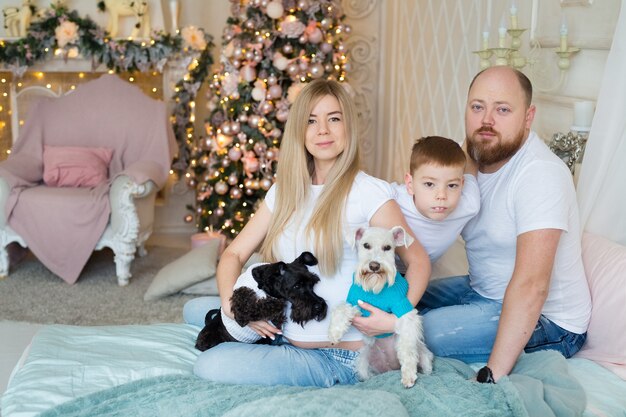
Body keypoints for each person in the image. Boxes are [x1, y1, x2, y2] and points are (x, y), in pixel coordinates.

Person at [183, 79, 431, 387]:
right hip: (284, 332)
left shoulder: (369, 192)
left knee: (210, 365)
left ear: (348, 127)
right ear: (299, 130)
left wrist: (394, 322)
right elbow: (233, 254)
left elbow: (419, 261)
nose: (322, 130)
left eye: (334, 118)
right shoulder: (285, 191)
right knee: (195, 308)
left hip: (339, 355)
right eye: (311, 121)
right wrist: (236, 309)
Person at [418, 66, 591, 383]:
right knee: (404, 298)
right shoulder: (471, 156)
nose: (487, 120)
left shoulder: (540, 175)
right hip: (481, 289)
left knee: (419, 333)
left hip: (548, 320)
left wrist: (492, 373)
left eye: (503, 110)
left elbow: (532, 286)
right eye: (477, 107)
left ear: (528, 116)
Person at [392, 135, 480, 273]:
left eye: (451, 185)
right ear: (410, 184)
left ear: (462, 185)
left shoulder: (469, 205)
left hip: (415, 273)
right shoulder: (392, 199)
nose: (441, 196)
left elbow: (470, 164)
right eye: (429, 184)